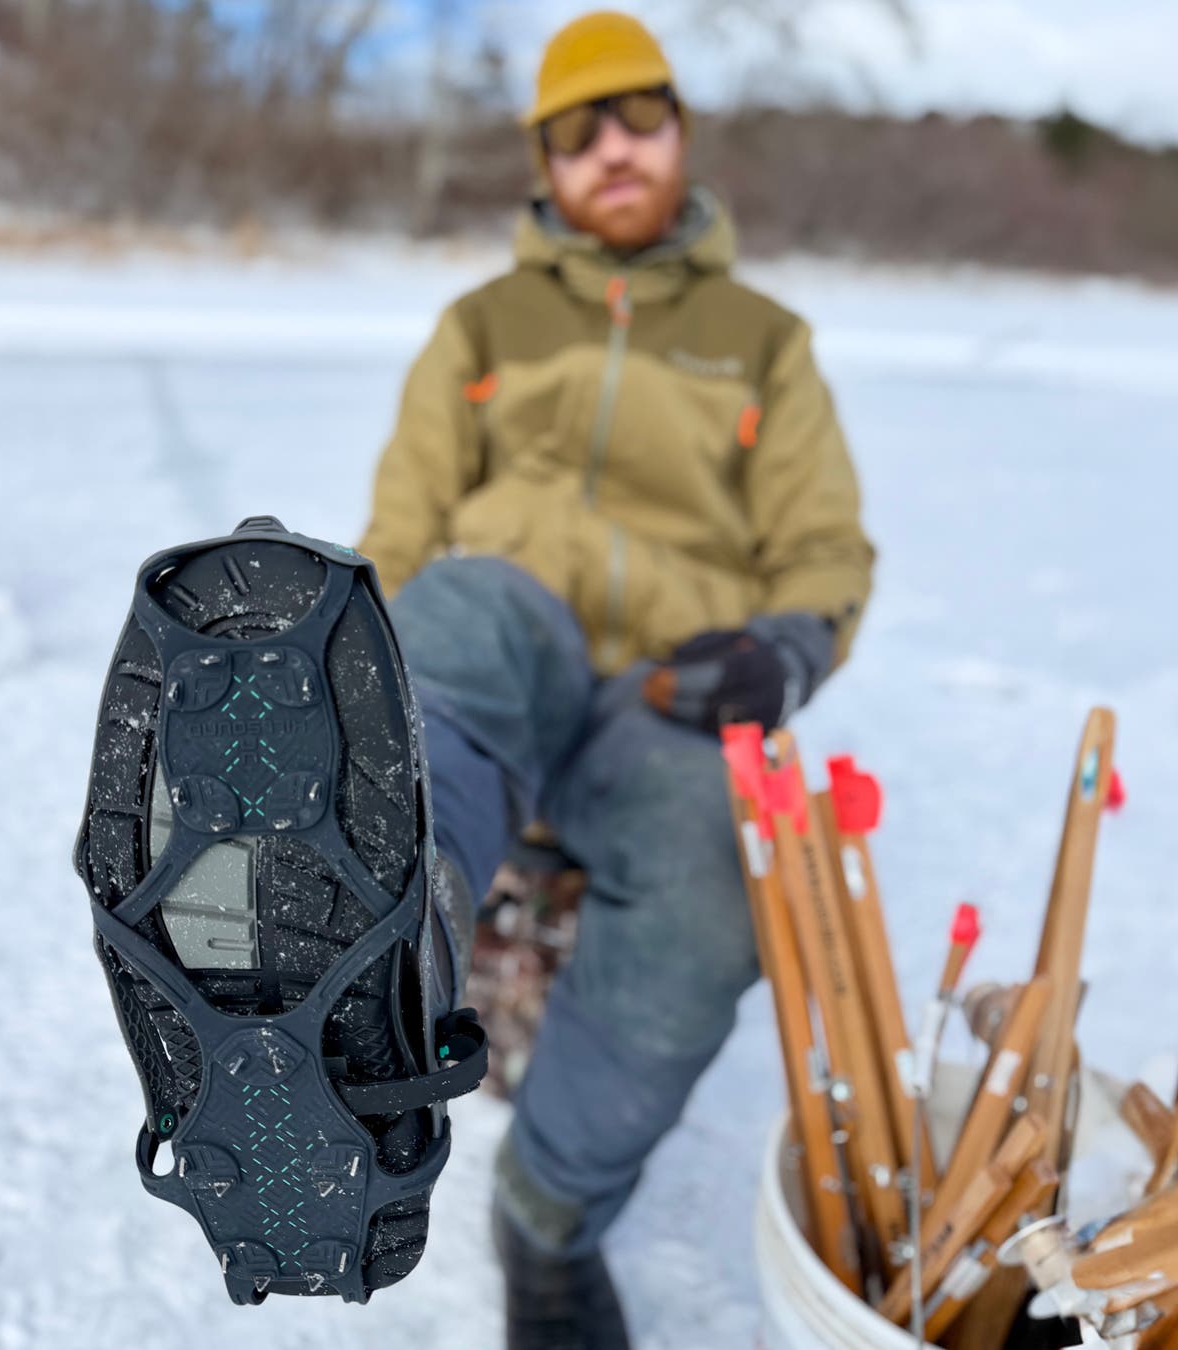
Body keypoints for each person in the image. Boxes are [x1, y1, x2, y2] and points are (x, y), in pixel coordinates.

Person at [356, 11, 877, 1346]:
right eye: (576, 129)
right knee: (452, 616)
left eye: (638, 113)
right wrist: (360, 662)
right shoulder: (483, 325)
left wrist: (784, 646)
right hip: (503, 638)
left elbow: (823, 547)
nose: (612, 148)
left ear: (680, 130)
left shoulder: (764, 341)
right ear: (544, 160)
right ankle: (371, 968)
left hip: (662, 693)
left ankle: (547, 1211)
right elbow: (402, 532)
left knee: (719, 875)